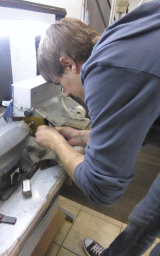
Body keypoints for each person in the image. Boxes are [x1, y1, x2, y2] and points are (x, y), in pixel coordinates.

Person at [35, 1, 160, 255]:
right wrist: (81, 136)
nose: (67, 93)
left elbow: (102, 188)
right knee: (146, 220)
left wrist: (56, 143)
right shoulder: (120, 39)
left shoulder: (104, 69)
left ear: (69, 63)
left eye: (62, 83)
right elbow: (134, 123)